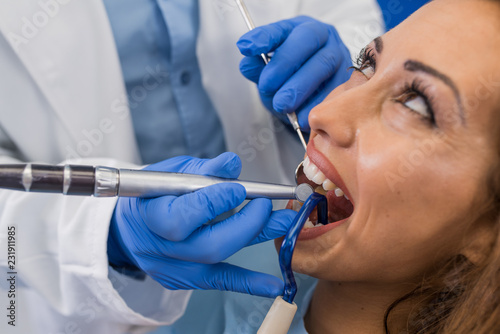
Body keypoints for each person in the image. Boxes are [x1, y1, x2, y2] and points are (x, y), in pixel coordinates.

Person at [0, 1, 384, 333]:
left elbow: (375, 39)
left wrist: (339, 78)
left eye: (414, 104)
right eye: (364, 66)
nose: (332, 117)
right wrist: (105, 235)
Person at [156, 0, 500, 333]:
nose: (323, 113)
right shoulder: (196, 294)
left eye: (416, 105)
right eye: (366, 65)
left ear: (489, 230)